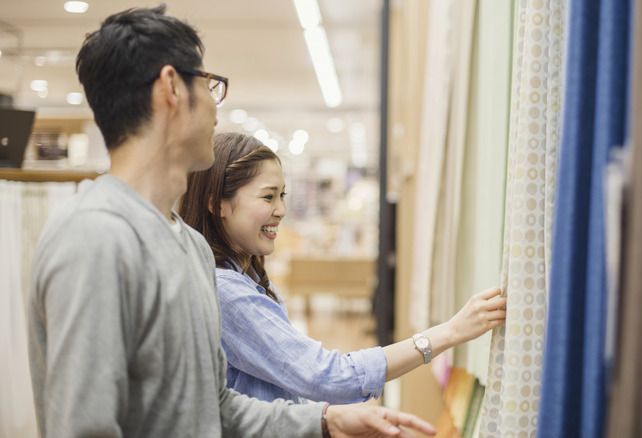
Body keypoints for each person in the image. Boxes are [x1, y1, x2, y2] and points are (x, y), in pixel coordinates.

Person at [26, 6, 436, 438]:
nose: (216, 108)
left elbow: (213, 406)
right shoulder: (93, 238)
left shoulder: (190, 246)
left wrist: (324, 420)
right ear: (171, 87)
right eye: (208, 85)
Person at [178, 132, 508, 404]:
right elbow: (327, 376)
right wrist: (448, 333)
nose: (281, 209)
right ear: (216, 203)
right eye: (267, 197)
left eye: (282, 195)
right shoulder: (226, 292)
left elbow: (289, 382)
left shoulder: (246, 277)